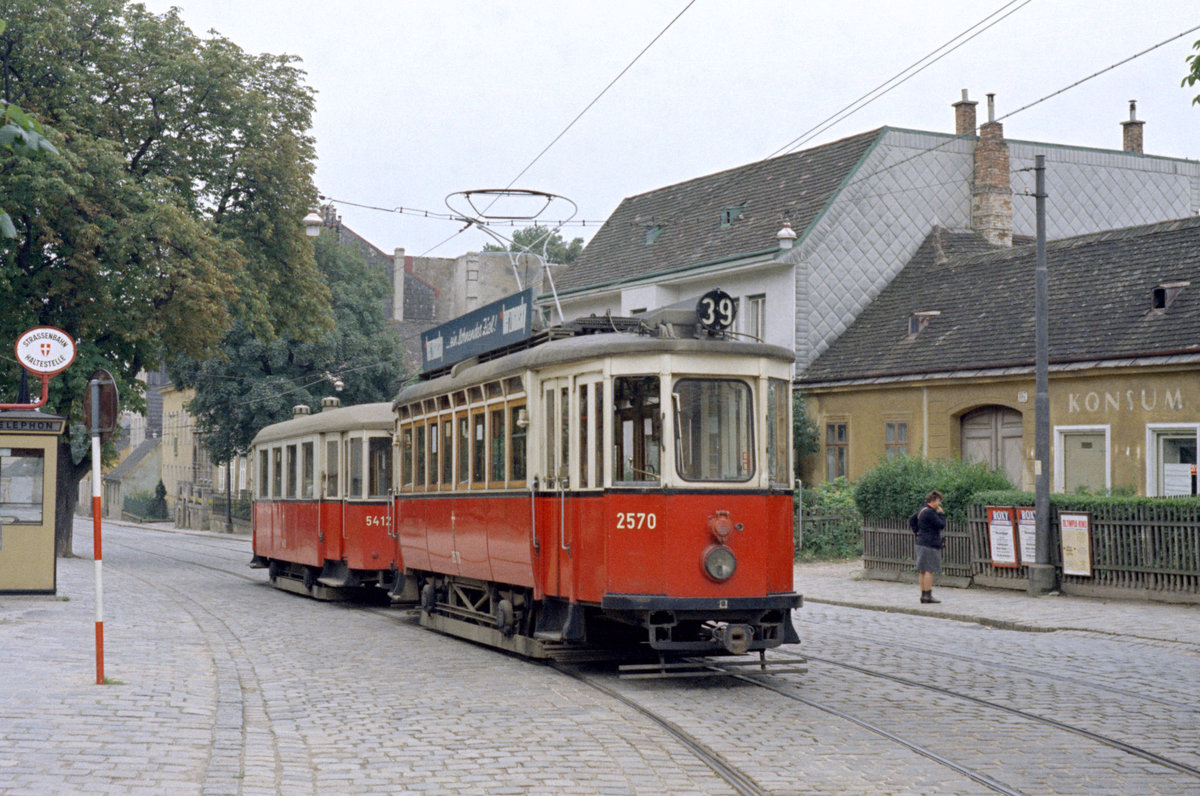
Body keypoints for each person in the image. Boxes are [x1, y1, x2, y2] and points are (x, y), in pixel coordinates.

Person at [914, 490, 946, 604]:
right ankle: (928, 595)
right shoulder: (930, 513)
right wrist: (941, 514)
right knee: (929, 570)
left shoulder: (922, 510)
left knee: (922, 570)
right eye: (938, 501)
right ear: (933, 501)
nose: (939, 504)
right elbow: (941, 525)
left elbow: (912, 520)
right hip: (929, 543)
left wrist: (918, 532)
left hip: (921, 542)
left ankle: (923, 595)